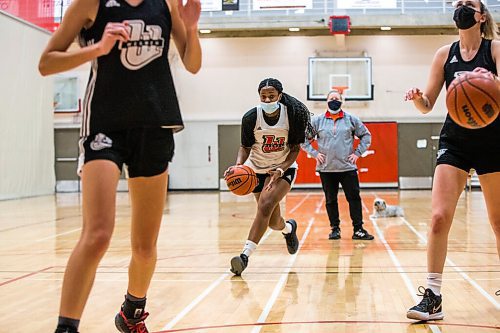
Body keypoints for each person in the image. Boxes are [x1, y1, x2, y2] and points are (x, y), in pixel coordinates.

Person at [38, 0, 202, 332]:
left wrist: (192, 28)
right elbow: (46, 63)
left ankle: (131, 312)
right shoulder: (89, 3)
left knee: (144, 246)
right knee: (98, 234)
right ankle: (66, 327)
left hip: (154, 124)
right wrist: (98, 48)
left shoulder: (167, 4)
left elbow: (193, 64)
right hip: (105, 124)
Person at [404, 0, 499, 321]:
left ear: (481, 15)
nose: (460, 7)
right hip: (455, 141)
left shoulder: (495, 50)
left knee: (499, 222)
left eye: (467, 4)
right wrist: (419, 98)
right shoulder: (444, 55)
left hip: (493, 142)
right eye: (457, 4)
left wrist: (492, 82)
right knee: (438, 218)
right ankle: (433, 296)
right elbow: (428, 104)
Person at [226, 78, 311, 276]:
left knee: (264, 205)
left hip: (283, 168)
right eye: (263, 96)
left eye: (271, 96)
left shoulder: (292, 116)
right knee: (273, 222)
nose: (267, 99)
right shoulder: (250, 117)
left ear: (279, 96)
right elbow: (245, 147)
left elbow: (295, 149)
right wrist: (239, 165)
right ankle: (288, 229)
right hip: (256, 169)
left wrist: (281, 169)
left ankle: (244, 256)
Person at [301, 89, 374, 241]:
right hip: (326, 169)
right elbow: (304, 139)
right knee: (330, 200)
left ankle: (358, 229)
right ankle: (335, 229)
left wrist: (357, 153)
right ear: (326, 101)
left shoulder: (351, 119)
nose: (334, 100)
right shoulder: (318, 121)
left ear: (341, 101)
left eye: (337, 98)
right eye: (331, 98)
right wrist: (315, 154)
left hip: (347, 168)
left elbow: (366, 136)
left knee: (354, 198)